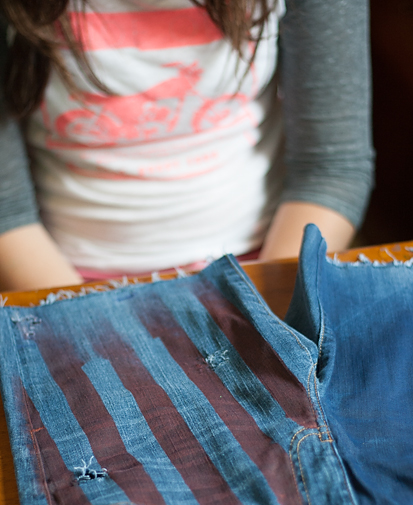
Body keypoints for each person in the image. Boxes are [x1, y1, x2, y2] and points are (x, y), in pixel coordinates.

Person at [0, 0, 374, 291]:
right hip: (56, 277)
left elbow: (332, 169)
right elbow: (7, 210)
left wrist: (267, 312)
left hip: (269, 261)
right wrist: (82, 324)